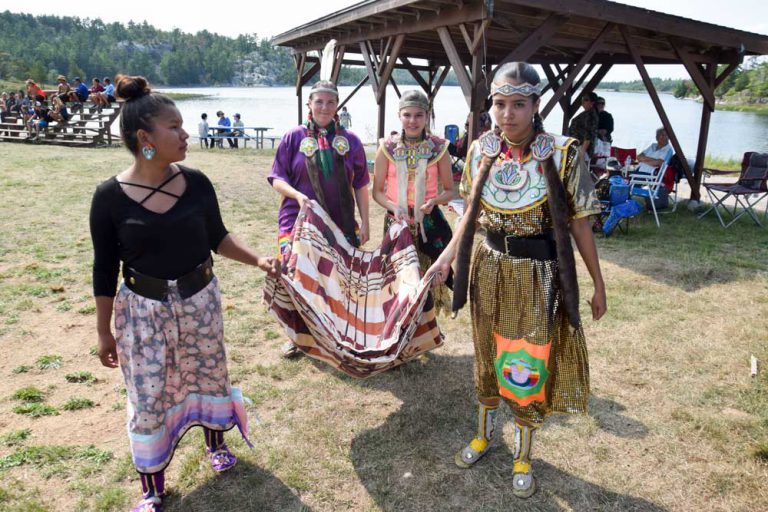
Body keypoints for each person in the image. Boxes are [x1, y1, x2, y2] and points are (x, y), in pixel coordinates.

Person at [89, 75, 280, 512]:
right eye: (174, 127)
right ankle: (152, 487)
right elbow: (104, 269)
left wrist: (258, 260)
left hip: (200, 303)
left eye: (182, 125)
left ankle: (216, 444)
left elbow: (218, 237)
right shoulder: (109, 198)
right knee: (148, 395)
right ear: (145, 138)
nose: (185, 134)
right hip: (143, 313)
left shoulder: (196, 182)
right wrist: (103, 332)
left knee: (208, 377)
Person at [425, 62, 606, 498]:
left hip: (537, 273)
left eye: (519, 104)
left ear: (536, 105)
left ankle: (523, 454)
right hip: (488, 268)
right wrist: (445, 260)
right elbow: (469, 216)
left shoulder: (563, 153)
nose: (508, 114)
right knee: (486, 353)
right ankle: (484, 435)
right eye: (500, 104)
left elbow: (580, 224)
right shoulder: (479, 150)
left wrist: (598, 284)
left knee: (527, 359)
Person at [268, 79, 370, 358]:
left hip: (340, 221)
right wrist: (297, 196)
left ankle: (339, 332)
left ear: (337, 105)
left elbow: (361, 184)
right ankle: (299, 335)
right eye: (319, 101)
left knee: (340, 276)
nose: (324, 107)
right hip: (297, 218)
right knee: (295, 273)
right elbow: (277, 178)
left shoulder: (350, 141)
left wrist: (366, 221)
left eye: (330, 102)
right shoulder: (294, 137)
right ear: (309, 105)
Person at [372, 90, 455, 314]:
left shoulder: (439, 149)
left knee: (429, 279)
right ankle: (400, 325)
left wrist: (434, 201)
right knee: (397, 279)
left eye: (419, 115)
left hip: (428, 221)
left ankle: (427, 324)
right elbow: (377, 192)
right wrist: (393, 207)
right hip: (396, 221)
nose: (412, 121)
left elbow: (450, 191)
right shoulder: (386, 148)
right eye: (407, 115)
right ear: (399, 115)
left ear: (427, 116)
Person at [568, 91, 599, 162]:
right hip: (576, 147)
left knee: (579, 168)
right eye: (583, 99)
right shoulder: (587, 113)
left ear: (592, 102)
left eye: (586, 99)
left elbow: (589, 135)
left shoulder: (591, 115)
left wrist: (582, 152)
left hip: (581, 148)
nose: (583, 101)